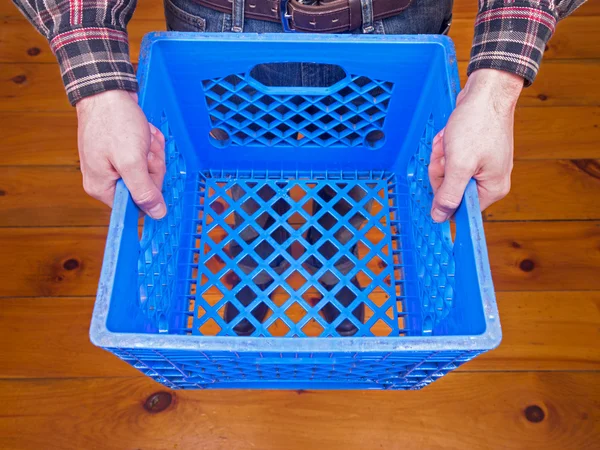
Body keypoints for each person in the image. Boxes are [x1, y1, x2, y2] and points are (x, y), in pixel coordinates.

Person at [13, 0, 586, 336]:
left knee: (359, 160)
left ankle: (330, 248)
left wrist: (494, 86)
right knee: (238, 152)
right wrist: (98, 87)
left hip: (395, 22)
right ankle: (261, 249)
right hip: (220, 23)